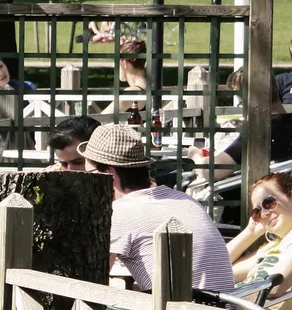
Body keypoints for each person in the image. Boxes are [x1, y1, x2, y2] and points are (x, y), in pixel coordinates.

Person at [80, 123, 234, 291]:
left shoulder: (120, 213)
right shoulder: (183, 199)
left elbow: (90, 282)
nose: (87, 181)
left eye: (91, 175)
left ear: (109, 174)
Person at [224, 172, 292, 310]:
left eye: (269, 203)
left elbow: (274, 288)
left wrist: (226, 298)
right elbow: (219, 270)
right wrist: (250, 232)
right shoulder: (272, 246)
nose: (264, 214)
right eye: (257, 211)